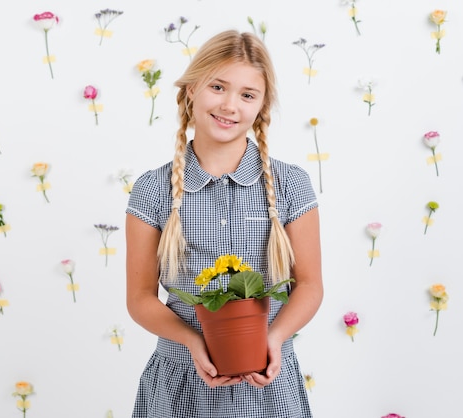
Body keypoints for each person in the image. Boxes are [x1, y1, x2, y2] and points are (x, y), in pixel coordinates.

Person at [125, 29, 323, 418]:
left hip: (268, 382)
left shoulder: (291, 184)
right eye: (218, 87)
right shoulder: (152, 189)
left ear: (261, 107)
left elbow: (311, 286)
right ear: (191, 90)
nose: (230, 105)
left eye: (248, 95)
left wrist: (274, 338)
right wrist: (192, 343)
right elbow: (140, 298)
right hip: (179, 380)